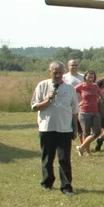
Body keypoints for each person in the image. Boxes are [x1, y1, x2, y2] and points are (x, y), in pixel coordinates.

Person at [31, 61, 80, 195]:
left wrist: (75, 128)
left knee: (64, 159)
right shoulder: (42, 86)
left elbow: (75, 110)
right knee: (47, 158)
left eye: (60, 72)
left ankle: (66, 186)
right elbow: (34, 107)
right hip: (47, 128)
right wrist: (47, 101)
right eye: (55, 72)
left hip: (64, 129)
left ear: (63, 72)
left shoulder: (70, 88)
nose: (58, 75)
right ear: (50, 72)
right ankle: (47, 182)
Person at [75, 69, 104, 156]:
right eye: (89, 76)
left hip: (95, 112)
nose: (91, 78)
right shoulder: (80, 86)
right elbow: (71, 94)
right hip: (84, 113)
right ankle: (86, 152)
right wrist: (77, 103)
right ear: (85, 77)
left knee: (97, 132)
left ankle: (81, 147)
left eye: (92, 76)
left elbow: (103, 96)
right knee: (86, 132)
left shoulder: (95, 86)